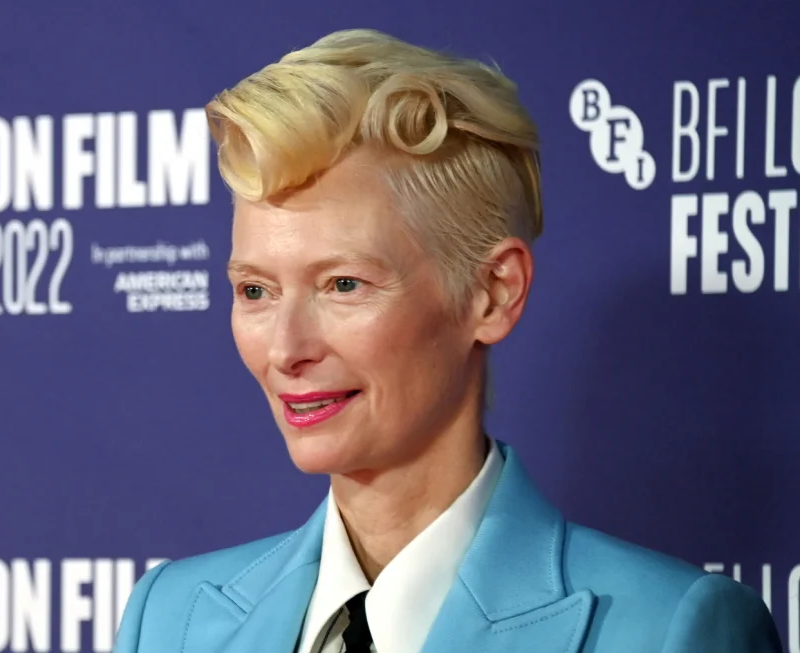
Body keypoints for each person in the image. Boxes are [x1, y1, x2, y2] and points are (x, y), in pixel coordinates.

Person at [111, 28, 782, 653]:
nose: (285, 348)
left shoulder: (670, 629)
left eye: (343, 284)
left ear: (493, 293)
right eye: (254, 290)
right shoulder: (167, 619)